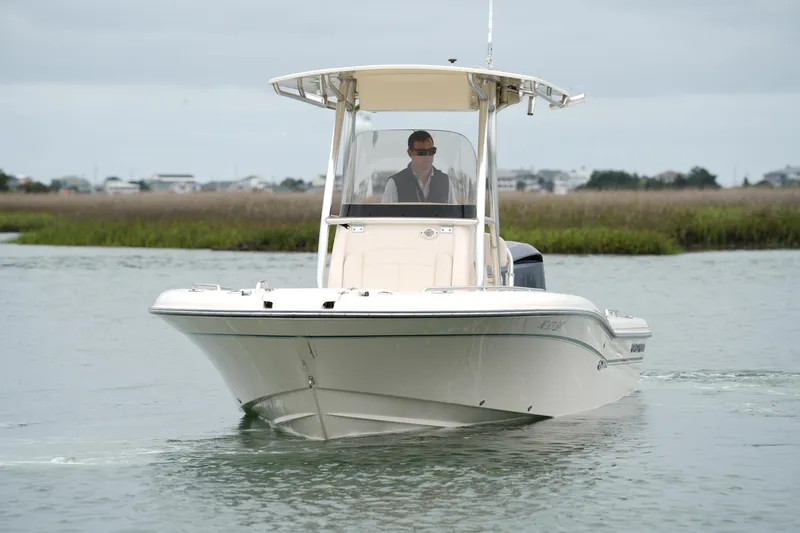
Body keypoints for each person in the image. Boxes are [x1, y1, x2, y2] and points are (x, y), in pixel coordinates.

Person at [381, 130, 458, 204]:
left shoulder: (445, 181)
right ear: (410, 153)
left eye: (431, 151)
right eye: (421, 152)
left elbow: (454, 211)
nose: (427, 156)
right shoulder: (395, 183)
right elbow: (385, 212)